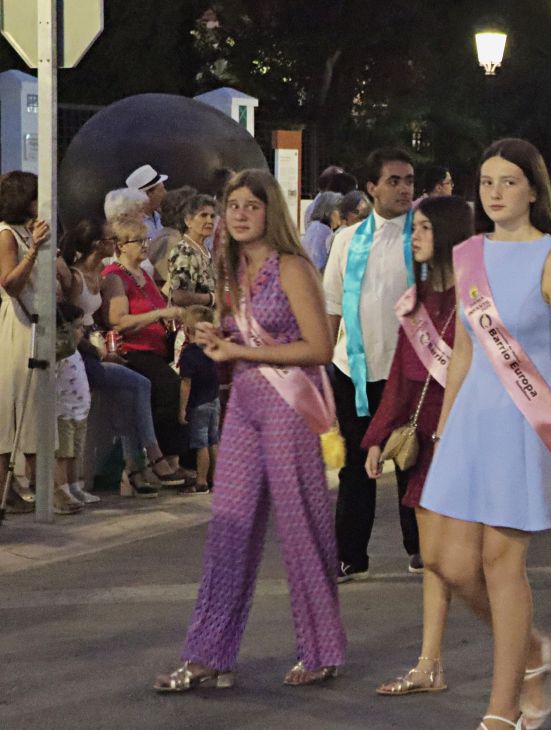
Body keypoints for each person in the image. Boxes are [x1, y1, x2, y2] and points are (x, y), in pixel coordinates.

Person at [419, 138, 551, 730]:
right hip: (471, 420)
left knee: (503, 565)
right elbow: (459, 355)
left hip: (525, 423)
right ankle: (534, 653)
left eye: (508, 182)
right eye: (486, 183)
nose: (496, 193)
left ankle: (502, 710)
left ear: (533, 189)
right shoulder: (469, 253)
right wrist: (445, 427)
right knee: (447, 563)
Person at [153, 169, 346, 692]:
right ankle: (208, 653)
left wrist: (242, 350)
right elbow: (238, 341)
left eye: (250, 206)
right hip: (245, 405)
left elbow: (319, 349)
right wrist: (219, 337)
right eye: (232, 205)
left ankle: (321, 649)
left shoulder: (293, 267)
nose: (239, 214)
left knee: (301, 527)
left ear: (270, 212)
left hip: (291, 405)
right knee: (229, 527)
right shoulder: (230, 269)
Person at [363, 195, 470, 697]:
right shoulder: (416, 299)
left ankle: (525, 649)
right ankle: (430, 663)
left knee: (473, 562)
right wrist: (377, 438)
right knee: (434, 559)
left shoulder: (478, 300)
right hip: (424, 442)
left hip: (469, 440)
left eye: (424, 227)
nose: (415, 237)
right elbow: (401, 379)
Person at [324, 147, 419, 582]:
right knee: (356, 465)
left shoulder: (421, 238)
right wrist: (321, 367)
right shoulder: (346, 240)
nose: (404, 189)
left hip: (409, 371)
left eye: (409, 181)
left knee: (412, 459)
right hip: (354, 369)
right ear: (372, 188)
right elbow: (331, 307)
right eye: (394, 180)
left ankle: (419, 547)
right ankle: (350, 554)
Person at [61, 217, 184, 496]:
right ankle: (152, 457)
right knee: (143, 384)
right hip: (84, 352)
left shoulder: (103, 277)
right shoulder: (87, 277)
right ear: (97, 245)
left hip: (99, 349)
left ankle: (137, 466)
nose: (114, 244)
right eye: (110, 240)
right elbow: (77, 321)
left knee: (132, 390)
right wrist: (99, 349)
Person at [102, 216, 190, 478]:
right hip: (133, 349)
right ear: (122, 246)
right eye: (138, 240)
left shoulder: (144, 274)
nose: (144, 245)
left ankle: (180, 458)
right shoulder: (115, 277)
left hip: (156, 347)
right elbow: (117, 321)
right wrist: (156, 316)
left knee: (185, 381)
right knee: (167, 386)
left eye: (145, 239)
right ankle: (162, 459)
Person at [0, 172, 51, 513]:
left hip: (35, 321)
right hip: (16, 323)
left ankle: (32, 484)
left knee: (34, 405)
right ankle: (9, 485)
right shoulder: (6, 234)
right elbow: (10, 284)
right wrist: (33, 250)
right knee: (12, 407)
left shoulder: (24, 230)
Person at [53, 302, 91, 514]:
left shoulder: (77, 352)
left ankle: (76, 487)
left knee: (76, 452)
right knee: (64, 454)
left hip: (79, 411)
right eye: (77, 327)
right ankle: (62, 490)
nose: (82, 331)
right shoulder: (61, 352)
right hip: (63, 411)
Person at [178, 305, 221, 494]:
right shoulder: (214, 350)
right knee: (214, 441)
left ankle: (201, 480)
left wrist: (182, 409)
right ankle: (217, 479)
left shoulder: (189, 353)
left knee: (200, 444)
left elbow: (186, 383)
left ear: (188, 330)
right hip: (214, 399)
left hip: (198, 403)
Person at [167, 194, 219, 308]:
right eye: (203, 215)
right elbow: (179, 296)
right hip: (192, 321)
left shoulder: (205, 249)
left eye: (212, 216)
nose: (209, 220)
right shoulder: (184, 250)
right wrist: (213, 298)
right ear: (188, 221)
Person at [301, 191, 342, 272]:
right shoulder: (321, 232)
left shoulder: (318, 227)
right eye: (339, 210)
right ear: (330, 212)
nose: (342, 215)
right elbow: (316, 265)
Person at [125, 164, 169, 238]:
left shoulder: (162, 217)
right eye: (161, 190)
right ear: (148, 194)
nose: (165, 193)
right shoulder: (133, 226)